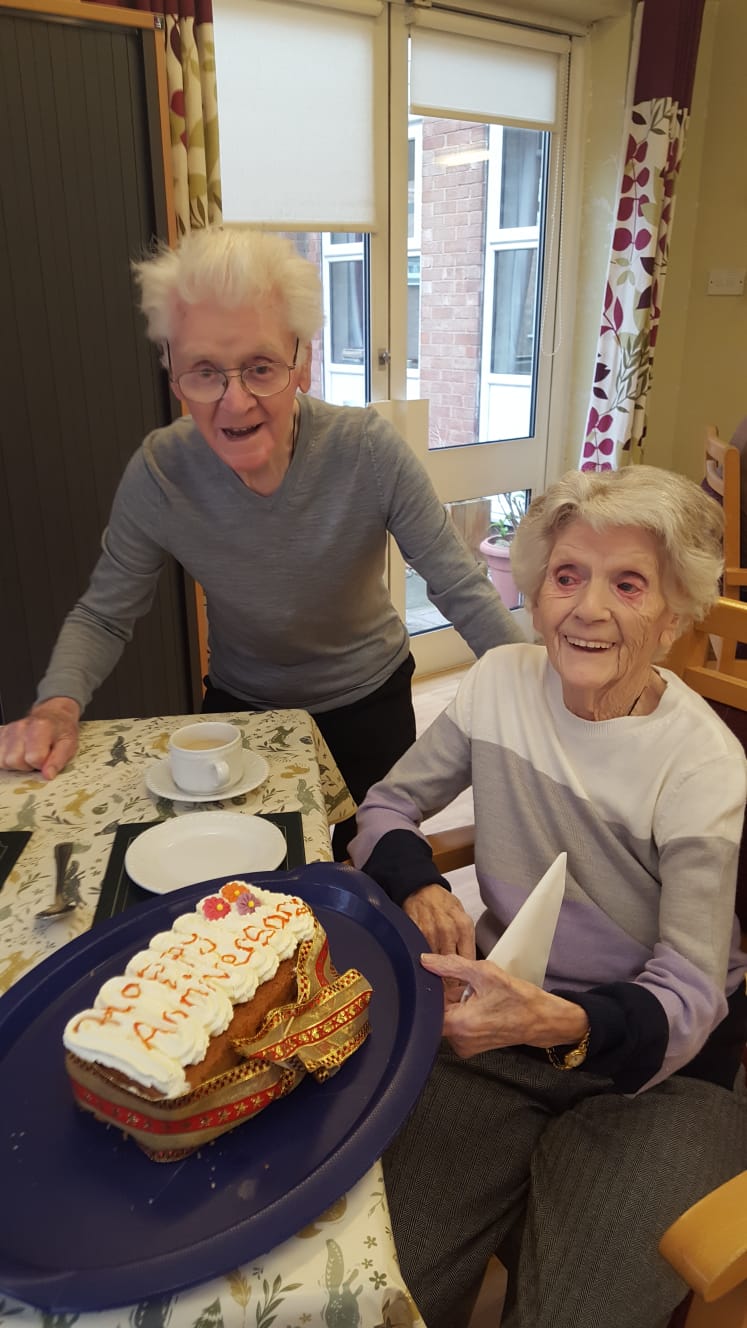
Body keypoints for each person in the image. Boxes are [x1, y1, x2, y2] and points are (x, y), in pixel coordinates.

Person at [349, 465, 747, 1327]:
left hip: (657, 1072)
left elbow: (689, 994)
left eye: (627, 583)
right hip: (497, 1029)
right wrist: (418, 884)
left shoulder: (703, 765)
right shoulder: (498, 686)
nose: (586, 608)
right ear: (533, 591)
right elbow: (383, 809)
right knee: (377, 1286)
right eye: (567, 575)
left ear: (673, 614)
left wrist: (561, 1023)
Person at [0, 225, 523, 857]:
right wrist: (56, 705)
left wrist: (541, 685)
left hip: (370, 704)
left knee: (372, 875)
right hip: (241, 715)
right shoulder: (159, 472)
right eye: (204, 372)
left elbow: (459, 586)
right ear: (173, 373)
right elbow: (104, 614)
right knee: (238, 885)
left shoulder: (367, 451)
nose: (234, 400)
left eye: (260, 367)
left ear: (301, 360)